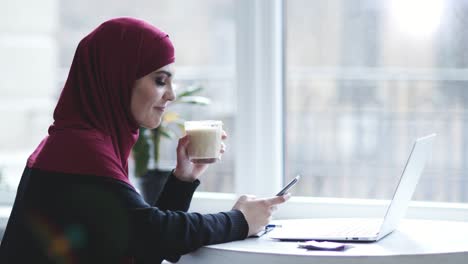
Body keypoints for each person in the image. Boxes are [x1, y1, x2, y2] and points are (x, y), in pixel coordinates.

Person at [0, 17, 289, 263]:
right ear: (118, 79)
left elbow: (141, 243)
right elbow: (154, 234)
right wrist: (239, 221)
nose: (171, 95)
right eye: (160, 81)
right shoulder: (78, 149)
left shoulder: (81, 143)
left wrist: (183, 179)